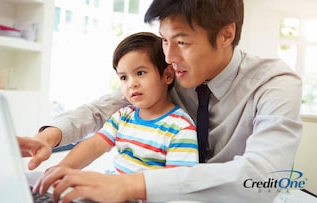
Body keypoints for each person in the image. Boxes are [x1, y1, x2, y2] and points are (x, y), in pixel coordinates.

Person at [23, 0, 303, 202]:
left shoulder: (275, 83)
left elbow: (266, 176)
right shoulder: (173, 75)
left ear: (226, 34)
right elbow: (104, 108)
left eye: (182, 42)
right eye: (164, 41)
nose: (168, 57)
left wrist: (130, 185)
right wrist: (50, 137)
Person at [43, 32, 198, 174]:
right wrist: (63, 168)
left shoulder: (181, 128)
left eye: (140, 73)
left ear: (168, 75)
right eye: (124, 77)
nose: (131, 84)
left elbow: (178, 184)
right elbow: (94, 145)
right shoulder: (123, 116)